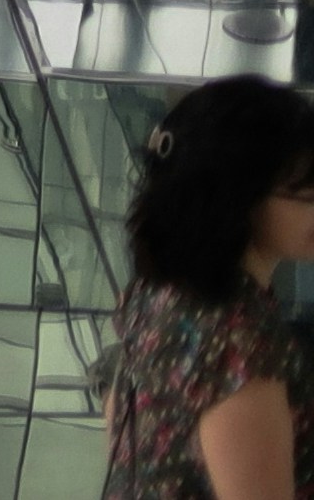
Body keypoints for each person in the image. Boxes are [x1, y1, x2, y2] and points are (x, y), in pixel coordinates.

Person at [87, 81, 314, 500]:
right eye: (305, 192)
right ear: (240, 198)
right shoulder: (241, 345)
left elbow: (124, 428)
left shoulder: (155, 291)